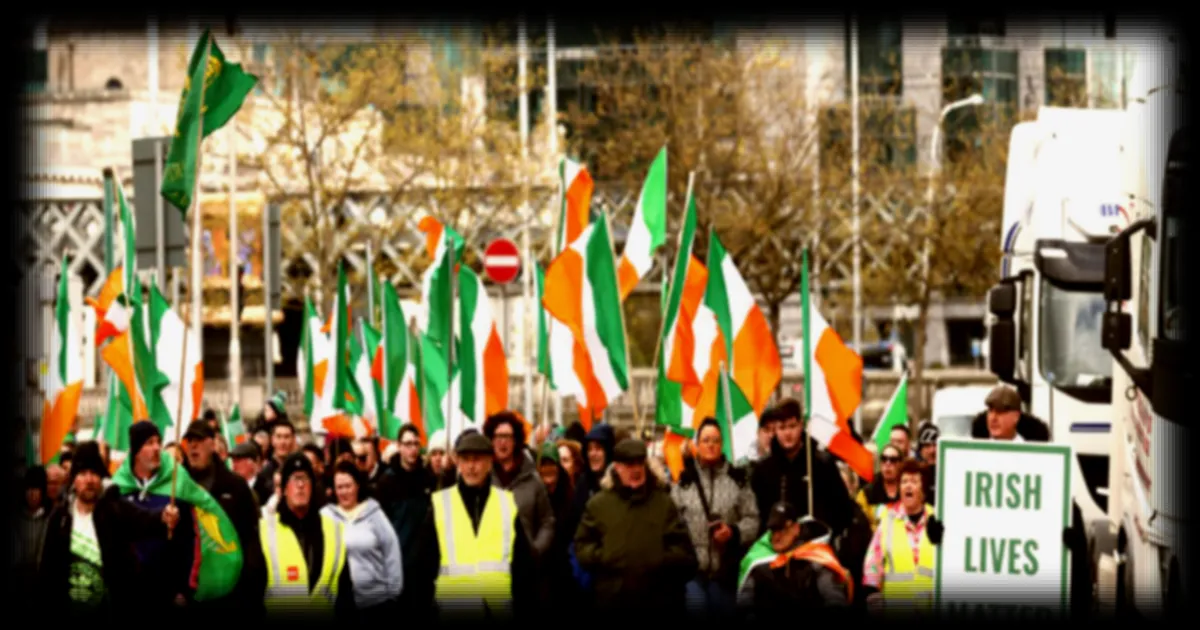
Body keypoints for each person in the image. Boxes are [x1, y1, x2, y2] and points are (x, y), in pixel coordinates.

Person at [38, 441, 181, 615]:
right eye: (83, 473)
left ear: (101, 477)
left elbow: (144, 518)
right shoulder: (60, 517)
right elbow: (47, 572)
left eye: (94, 473)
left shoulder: (113, 509)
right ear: (74, 479)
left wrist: (164, 516)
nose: (89, 479)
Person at [573, 438, 698, 619]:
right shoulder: (599, 505)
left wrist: (659, 559)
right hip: (613, 604)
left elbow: (685, 552)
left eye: (640, 463)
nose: (636, 469)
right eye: (630, 464)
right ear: (617, 467)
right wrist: (605, 555)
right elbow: (582, 546)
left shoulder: (663, 503)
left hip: (658, 604)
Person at [420, 431, 534, 621]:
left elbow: (522, 569)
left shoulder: (506, 504)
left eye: (477, 459)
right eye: (465, 459)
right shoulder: (441, 504)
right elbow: (423, 569)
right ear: (457, 462)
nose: (471, 466)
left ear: (489, 463)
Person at [105, 421, 200, 611]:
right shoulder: (117, 490)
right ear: (136, 450)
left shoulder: (176, 485)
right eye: (149, 442)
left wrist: (184, 589)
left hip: (167, 594)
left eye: (158, 441)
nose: (157, 448)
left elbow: (192, 541)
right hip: (127, 595)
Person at [670, 417, 760, 619]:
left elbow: (753, 520)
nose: (711, 445)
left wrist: (733, 532)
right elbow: (671, 524)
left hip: (725, 573)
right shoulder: (684, 483)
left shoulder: (738, 480)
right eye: (706, 440)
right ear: (696, 445)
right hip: (693, 573)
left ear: (722, 444)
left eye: (716, 440)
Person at [181, 420, 267, 616]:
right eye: (189, 441)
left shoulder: (235, 486)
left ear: (212, 444)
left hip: (231, 597)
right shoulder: (177, 489)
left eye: (199, 440)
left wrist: (249, 594)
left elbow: (250, 542)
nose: (193, 446)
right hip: (192, 597)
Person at [260, 453, 354, 618]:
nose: (300, 485)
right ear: (284, 489)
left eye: (305, 479)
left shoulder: (334, 529)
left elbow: (344, 592)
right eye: (294, 479)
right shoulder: (265, 529)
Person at [750, 400, 855, 539]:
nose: (788, 433)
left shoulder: (821, 464)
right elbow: (759, 514)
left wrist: (824, 531)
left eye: (792, 426)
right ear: (775, 430)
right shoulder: (763, 469)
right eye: (782, 428)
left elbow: (842, 510)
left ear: (801, 425)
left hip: (815, 545)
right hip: (776, 546)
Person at [321, 460, 403, 620]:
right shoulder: (325, 515)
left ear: (357, 485)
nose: (344, 491)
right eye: (339, 487)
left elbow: (391, 550)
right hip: (338, 605)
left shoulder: (374, 513)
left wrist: (394, 593)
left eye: (348, 486)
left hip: (376, 603)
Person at [738, 503, 854, 615]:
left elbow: (834, 599)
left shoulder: (816, 556)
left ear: (796, 528)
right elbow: (745, 600)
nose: (777, 536)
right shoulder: (759, 558)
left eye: (783, 529)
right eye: (773, 530)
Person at [861, 458, 943, 616]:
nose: (908, 485)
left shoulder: (938, 520)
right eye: (904, 481)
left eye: (914, 481)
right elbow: (872, 565)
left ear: (924, 490)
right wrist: (874, 600)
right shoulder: (887, 522)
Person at [377, 424, 438, 614]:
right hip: (396, 568)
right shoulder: (387, 481)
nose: (412, 449)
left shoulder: (429, 479)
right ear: (399, 446)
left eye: (415, 444)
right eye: (408, 444)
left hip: (423, 571)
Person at [484, 411, 556, 560]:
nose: (502, 442)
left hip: (523, 566)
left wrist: (536, 549)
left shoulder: (533, 480)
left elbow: (547, 521)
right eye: (498, 437)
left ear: (516, 440)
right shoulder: (483, 478)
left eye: (507, 437)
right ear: (491, 440)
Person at [855, 443, 903, 531]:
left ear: (900, 464)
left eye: (893, 460)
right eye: (884, 459)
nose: (888, 463)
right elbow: (861, 528)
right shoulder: (866, 494)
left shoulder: (907, 491)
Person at [254, 418, 298, 506]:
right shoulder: (263, 475)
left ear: (293, 439)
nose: (282, 442)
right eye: (278, 437)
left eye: (286, 437)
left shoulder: (299, 470)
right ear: (272, 440)